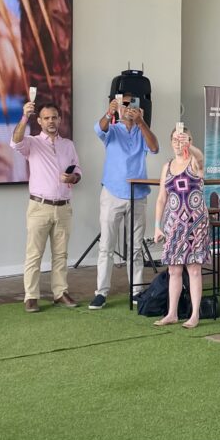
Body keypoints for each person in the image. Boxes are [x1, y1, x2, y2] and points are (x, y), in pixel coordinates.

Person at [11, 99, 82, 313]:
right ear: (40, 121)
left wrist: (72, 178)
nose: (51, 121)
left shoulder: (68, 144)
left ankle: (60, 293)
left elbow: (78, 172)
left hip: (63, 207)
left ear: (59, 119)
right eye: (46, 118)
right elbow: (15, 141)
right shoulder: (31, 142)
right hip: (39, 207)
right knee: (34, 254)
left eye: (54, 117)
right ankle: (31, 296)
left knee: (61, 254)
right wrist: (24, 117)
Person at [89, 96, 159, 309]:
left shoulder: (142, 130)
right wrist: (108, 113)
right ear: (119, 108)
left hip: (138, 195)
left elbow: (155, 148)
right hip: (112, 193)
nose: (129, 109)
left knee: (136, 247)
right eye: (125, 105)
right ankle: (101, 292)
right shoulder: (113, 130)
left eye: (133, 105)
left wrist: (141, 123)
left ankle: (136, 290)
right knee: (107, 246)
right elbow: (98, 129)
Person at [153, 128, 210, 328]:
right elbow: (161, 198)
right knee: (173, 270)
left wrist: (189, 145)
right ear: (170, 142)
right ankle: (172, 313)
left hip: (195, 222)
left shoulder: (194, 162)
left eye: (183, 140)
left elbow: (201, 159)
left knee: (194, 269)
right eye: (175, 140)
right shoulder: (167, 166)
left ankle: (195, 314)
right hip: (174, 223)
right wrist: (157, 226)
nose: (179, 144)